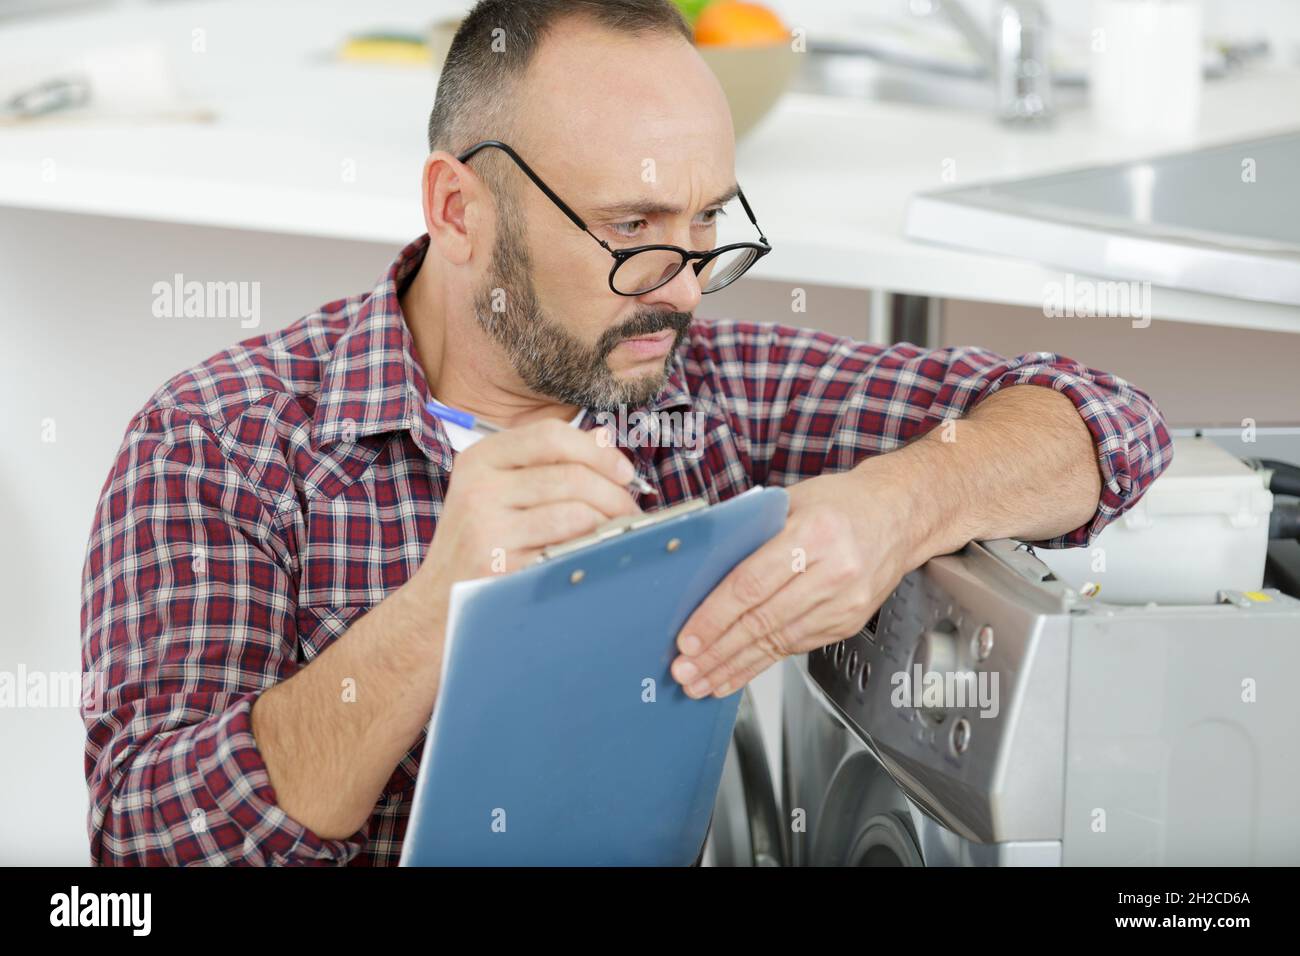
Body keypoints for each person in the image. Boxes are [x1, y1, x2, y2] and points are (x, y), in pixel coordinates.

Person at [80, 0, 1171, 865]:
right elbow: (148, 843)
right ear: (457, 211)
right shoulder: (218, 443)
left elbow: (1106, 420)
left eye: (706, 225)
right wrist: (431, 612)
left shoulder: (707, 384)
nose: (683, 290)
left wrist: (902, 502)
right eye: (632, 228)